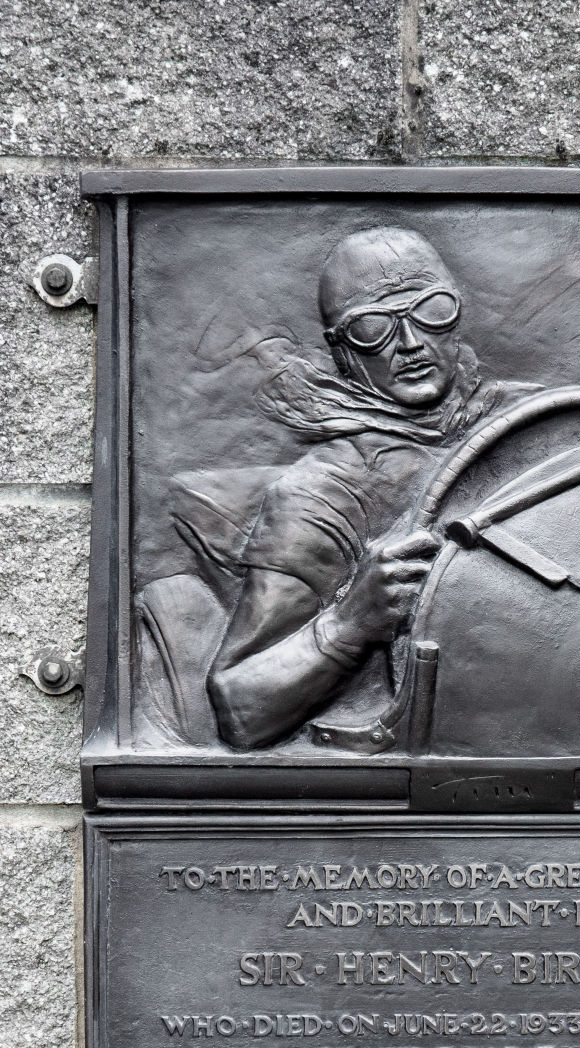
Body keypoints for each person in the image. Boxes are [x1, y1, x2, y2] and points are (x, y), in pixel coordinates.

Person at [207, 226, 533, 749]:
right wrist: (350, 622)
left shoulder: (540, 419)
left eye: (430, 311)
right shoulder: (320, 493)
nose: (410, 344)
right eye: (372, 328)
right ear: (342, 351)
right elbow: (241, 708)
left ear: (457, 317)